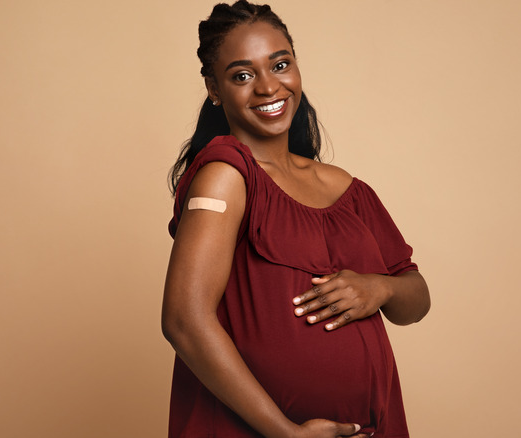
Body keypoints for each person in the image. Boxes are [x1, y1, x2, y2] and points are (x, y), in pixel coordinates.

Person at [161, 1, 430, 437]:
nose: (268, 87)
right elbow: (183, 320)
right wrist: (285, 432)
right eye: (243, 75)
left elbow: (416, 298)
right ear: (214, 88)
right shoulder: (225, 177)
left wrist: (379, 287)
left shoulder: (346, 188)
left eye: (280, 64)